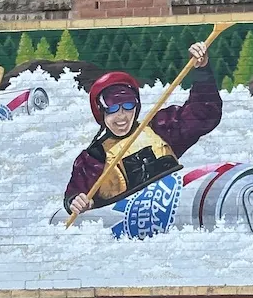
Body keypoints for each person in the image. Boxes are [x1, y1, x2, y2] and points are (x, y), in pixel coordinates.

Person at [64, 42, 223, 216]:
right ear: (101, 113)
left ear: (136, 107)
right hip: (128, 222)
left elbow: (205, 114)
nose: (121, 116)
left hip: (172, 209)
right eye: (112, 109)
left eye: (127, 106)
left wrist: (202, 70)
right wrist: (76, 202)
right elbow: (76, 194)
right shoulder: (92, 158)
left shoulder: (161, 128)